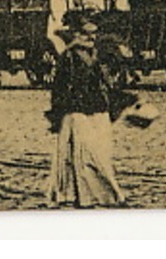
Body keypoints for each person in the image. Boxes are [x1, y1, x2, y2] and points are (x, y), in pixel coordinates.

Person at [46, 22, 127, 208]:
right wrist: (59, 113)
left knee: (93, 155)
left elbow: (104, 84)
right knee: (83, 156)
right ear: (76, 35)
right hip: (76, 111)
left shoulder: (95, 55)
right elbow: (59, 88)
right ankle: (91, 197)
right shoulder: (69, 57)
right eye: (86, 34)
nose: (91, 38)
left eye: (94, 34)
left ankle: (93, 196)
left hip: (95, 111)